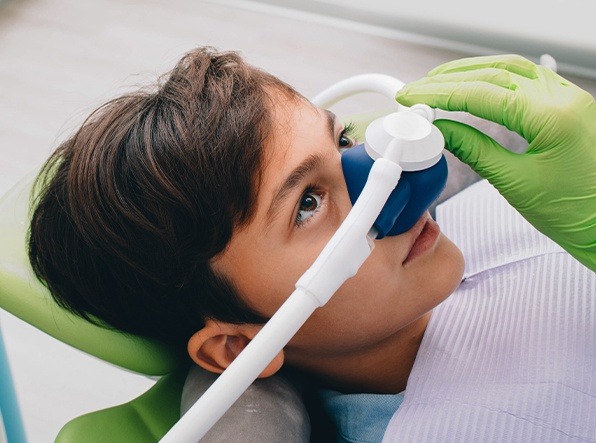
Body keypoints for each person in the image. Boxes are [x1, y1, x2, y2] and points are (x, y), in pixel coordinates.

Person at [27, 49, 595, 442]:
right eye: (306, 202)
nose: (387, 178)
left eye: (343, 138)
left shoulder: (510, 205)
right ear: (235, 348)